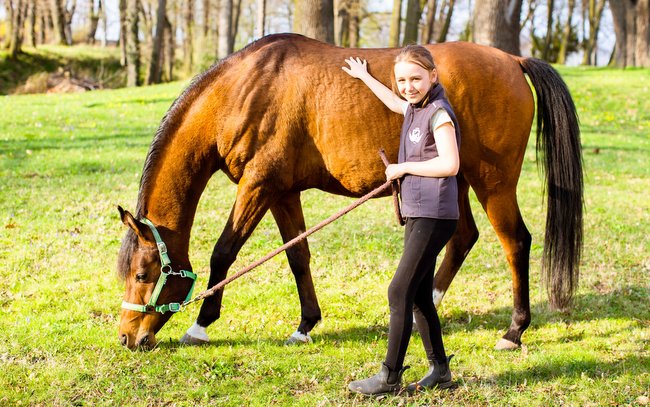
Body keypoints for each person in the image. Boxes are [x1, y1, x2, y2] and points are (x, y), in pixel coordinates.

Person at [342, 45, 460, 395]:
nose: (409, 86)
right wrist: (365, 77)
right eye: (403, 80)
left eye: (417, 78)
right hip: (418, 212)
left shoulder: (439, 114)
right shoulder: (414, 107)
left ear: (433, 77)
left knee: (399, 291)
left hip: (435, 214)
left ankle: (389, 377)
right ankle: (440, 371)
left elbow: (450, 164)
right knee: (420, 294)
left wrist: (403, 167)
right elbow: (395, 103)